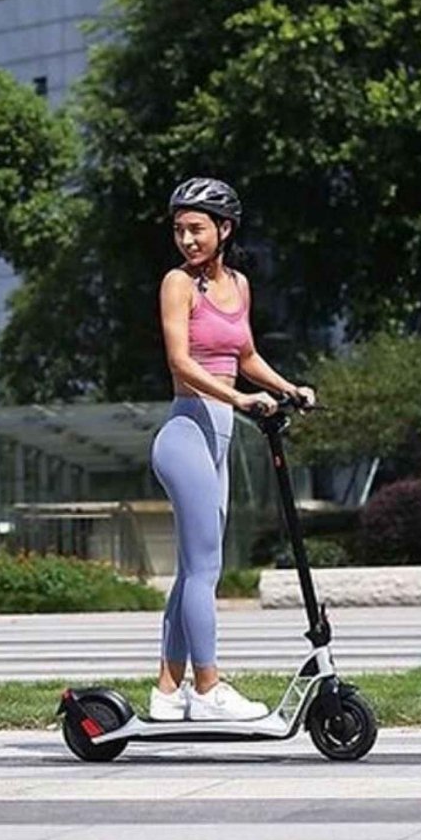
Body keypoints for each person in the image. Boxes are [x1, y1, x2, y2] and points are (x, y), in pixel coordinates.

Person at [150, 177, 316, 722]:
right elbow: (182, 363)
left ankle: (167, 689)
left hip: (217, 434)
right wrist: (242, 401)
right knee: (204, 570)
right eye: (179, 230)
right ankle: (208, 686)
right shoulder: (177, 284)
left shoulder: (239, 285)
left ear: (224, 229)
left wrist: (288, 388)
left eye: (196, 229)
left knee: (193, 569)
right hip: (186, 435)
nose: (187, 240)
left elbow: (244, 354)